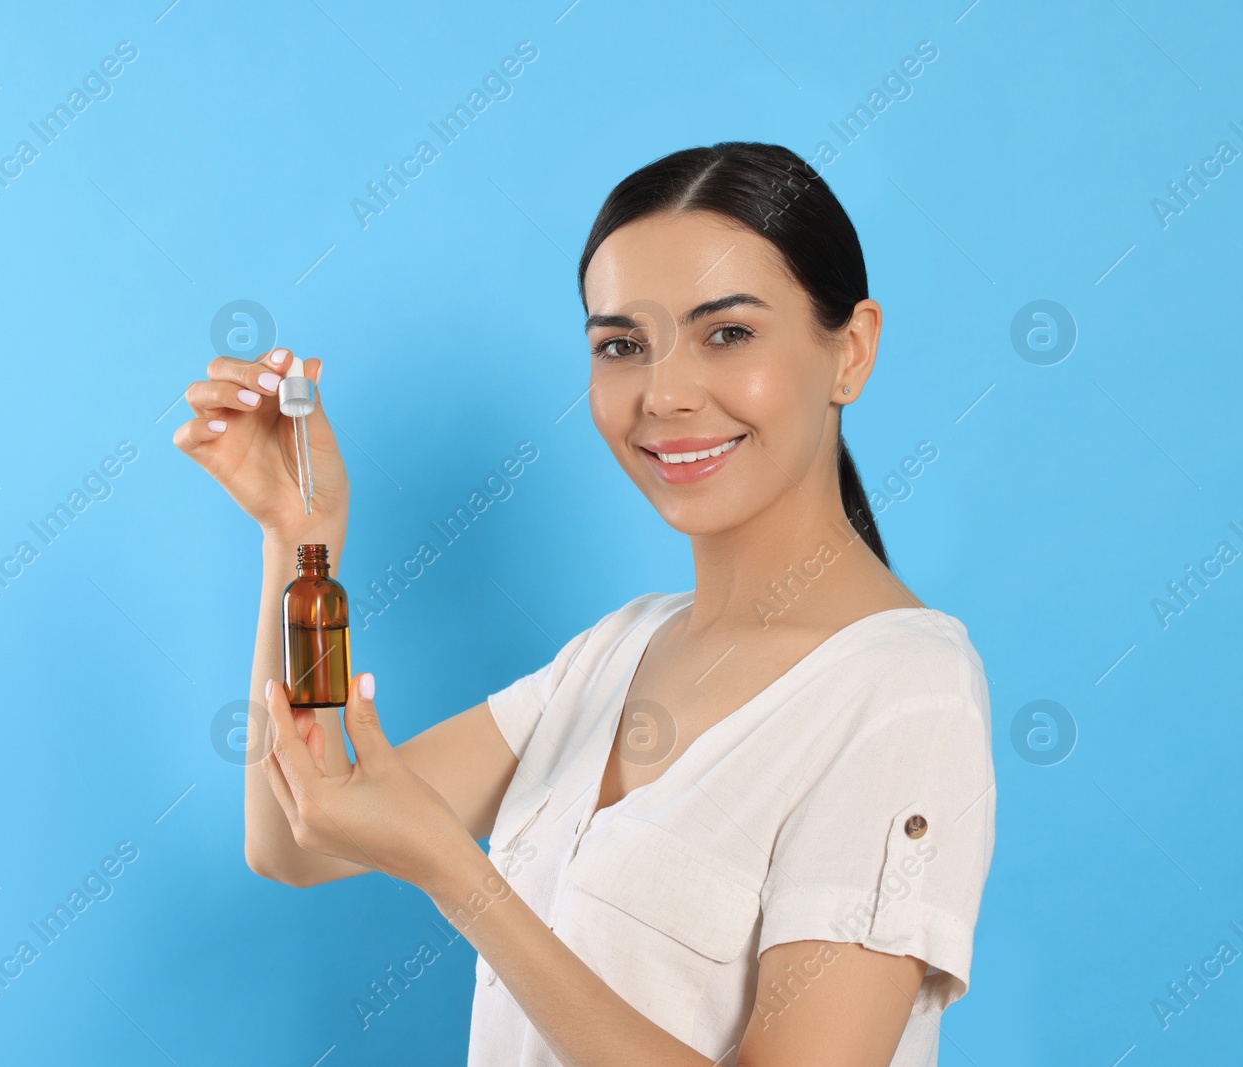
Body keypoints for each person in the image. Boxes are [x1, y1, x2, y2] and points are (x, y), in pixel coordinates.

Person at [173, 141, 996, 1067]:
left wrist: (461, 876)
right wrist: (300, 538)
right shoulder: (615, 652)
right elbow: (297, 830)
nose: (665, 392)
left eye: (728, 332)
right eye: (622, 346)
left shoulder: (905, 689)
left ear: (850, 349)